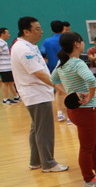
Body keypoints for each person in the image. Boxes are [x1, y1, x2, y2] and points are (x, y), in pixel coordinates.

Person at [50, 32, 96, 187]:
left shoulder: (62, 62)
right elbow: (91, 80)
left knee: (95, 141)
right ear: (76, 44)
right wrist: (90, 96)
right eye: (81, 41)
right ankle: (89, 180)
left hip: (76, 111)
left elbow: (53, 80)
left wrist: (69, 93)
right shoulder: (77, 63)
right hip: (85, 110)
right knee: (87, 147)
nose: (83, 44)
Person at [10, 16, 68, 173]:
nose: (41, 32)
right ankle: (49, 164)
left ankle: (35, 161)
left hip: (38, 93)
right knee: (44, 130)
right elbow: (39, 73)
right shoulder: (22, 49)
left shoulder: (30, 46)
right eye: (37, 29)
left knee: (37, 128)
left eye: (41, 28)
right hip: (36, 95)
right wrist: (62, 89)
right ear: (26, 32)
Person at [41, 20, 68, 122]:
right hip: (67, 67)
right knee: (68, 90)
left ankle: (59, 113)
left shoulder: (47, 41)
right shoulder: (67, 39)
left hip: (53, 68)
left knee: (59, 91)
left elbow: (42, 53)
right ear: (63, 28)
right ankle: (69, 115)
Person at [0, 27, 20, 104]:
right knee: (5, 83)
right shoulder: (1, 43)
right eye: (7, 33)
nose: (9, 35)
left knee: (11, 82)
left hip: (8, 67)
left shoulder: (4, 43)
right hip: (4, 67)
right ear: (2, 34)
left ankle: (16, 96)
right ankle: (5, 99)